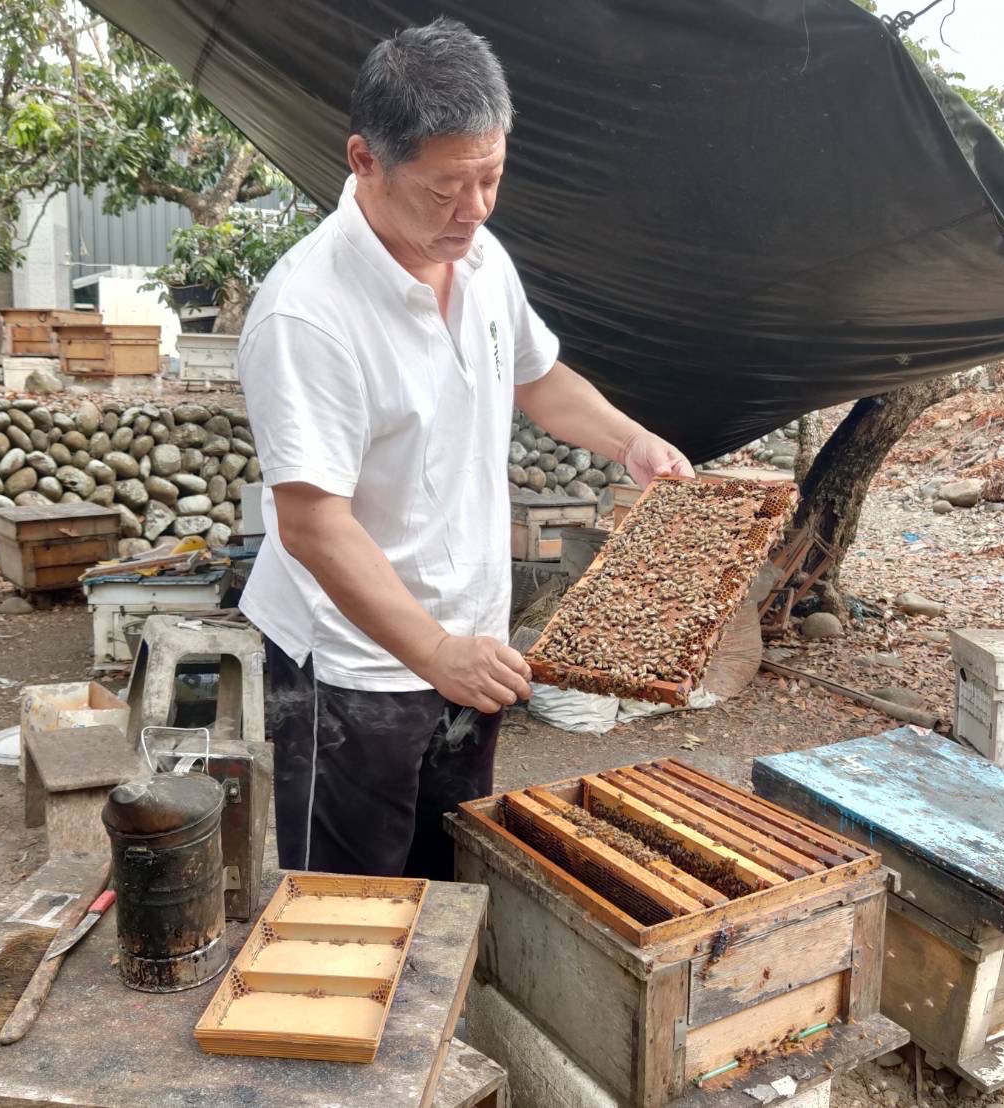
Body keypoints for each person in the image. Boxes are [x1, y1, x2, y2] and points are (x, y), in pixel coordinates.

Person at [238, 16, 692, 881]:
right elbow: (311, 525)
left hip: (469, 640)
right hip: (355, 661)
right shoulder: (307, 314)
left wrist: (630, 442)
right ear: (364, 160)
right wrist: (432, 651)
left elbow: (538, 378)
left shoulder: (482, 259)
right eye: (446, 188)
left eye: (490, 178)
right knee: (344, 901)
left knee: (446, 871)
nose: (474, 209)